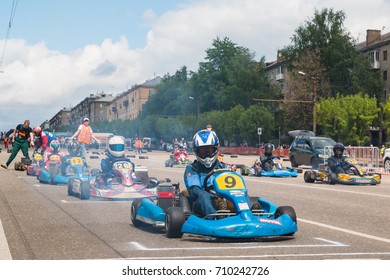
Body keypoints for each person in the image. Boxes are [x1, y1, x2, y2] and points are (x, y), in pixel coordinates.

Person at [183, 129, 227, 218]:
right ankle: (215, 218)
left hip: (223, 197)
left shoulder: (223, 167)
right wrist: (211, 193)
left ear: (216, 149)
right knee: (204, 196)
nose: (207, 155)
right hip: (200, 203)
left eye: (209, 150)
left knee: (239, 193)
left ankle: (248, 215)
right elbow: (195, 190)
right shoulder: (192, 169)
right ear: (196, 151)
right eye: (203, 151)